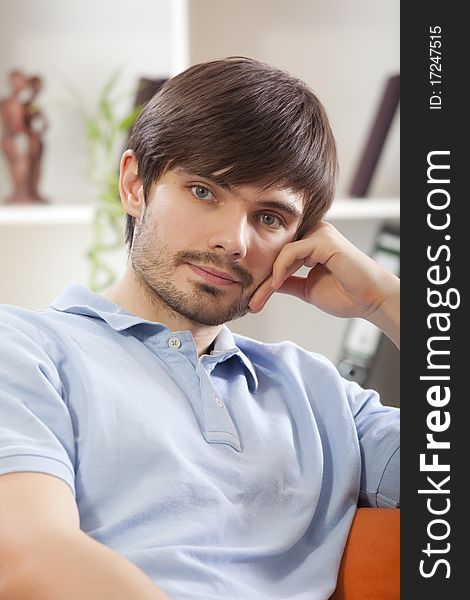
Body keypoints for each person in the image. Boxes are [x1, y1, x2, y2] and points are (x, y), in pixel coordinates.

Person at [0, 57, 399, 600]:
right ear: (136, 185)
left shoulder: (319, 394)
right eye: (204, 191)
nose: (234, 241)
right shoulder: (25, 350)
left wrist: (387, 301)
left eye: (269, 218)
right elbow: (28, 558)